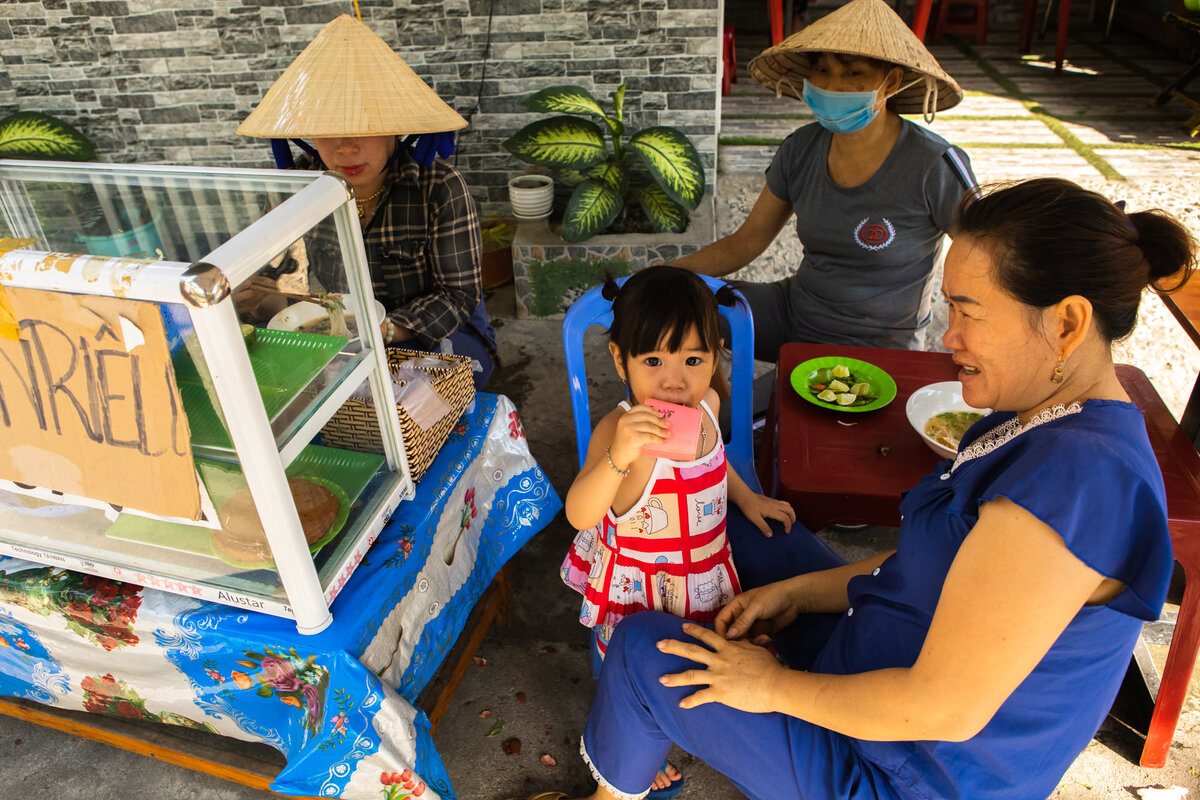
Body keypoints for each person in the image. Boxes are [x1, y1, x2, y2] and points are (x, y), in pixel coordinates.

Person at [532, 178, 1198, 800]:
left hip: (902, 769)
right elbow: (940, 565)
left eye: (967, 312)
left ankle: (623, 765)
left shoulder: (1081, 482)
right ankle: (712, 683)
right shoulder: (1038, 416)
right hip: (877, 652)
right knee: (743, 526)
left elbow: (946, 708)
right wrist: (791, 591)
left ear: (1067, 324)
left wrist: (771, 688)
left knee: (646, 650)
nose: (949, 334)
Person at [560, 266, 797, 797]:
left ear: (716, 356)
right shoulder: (619, 431)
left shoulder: (707, 409)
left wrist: (748, 496)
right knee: (639, 676)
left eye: (694, 360)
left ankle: (678, 722)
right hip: (640, 591)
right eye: (653, 362)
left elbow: (718, 463)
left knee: (698, 660)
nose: (675, 381)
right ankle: (638, 745)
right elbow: (580, 512)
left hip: (705, 575)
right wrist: (618, 457)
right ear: (620, 359)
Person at [674, 0, 977, 355]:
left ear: (890, 82)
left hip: (879, 344)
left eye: (853, 73)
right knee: (674, 305)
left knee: (780, 409)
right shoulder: (800, 149)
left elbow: (988, 257)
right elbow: (744, 244)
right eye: (821, 70)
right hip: (796, 313)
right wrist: (656, 276)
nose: (832, 85)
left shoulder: (934, 163)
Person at [236, 14, 496, 388]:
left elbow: (458, 295)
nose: (346, 148)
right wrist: (255, 298)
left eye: (364, 130)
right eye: (328, 133)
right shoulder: (294, 191)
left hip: (428, 333)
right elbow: (285, 286)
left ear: (394, 127)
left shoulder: (439, 187)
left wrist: (385, 330)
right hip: (338, 336)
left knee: (423, 411)